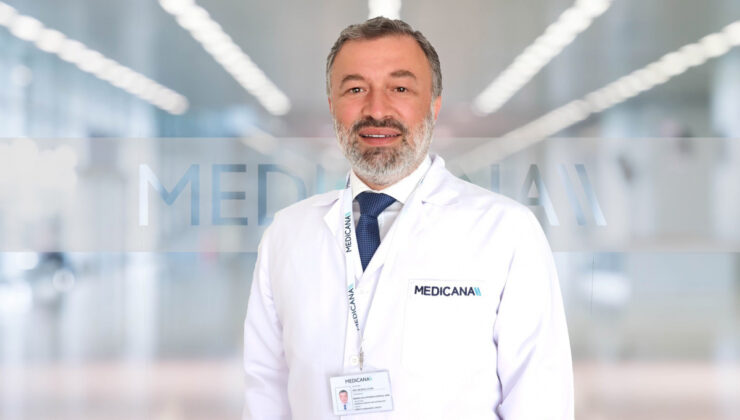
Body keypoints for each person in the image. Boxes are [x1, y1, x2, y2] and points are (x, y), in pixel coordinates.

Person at [243, 17, 574, 419]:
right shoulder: (287, 235)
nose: (376, 109)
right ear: (332, 106)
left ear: (433, 104)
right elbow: (265, 392)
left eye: (400, 89)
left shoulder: (506, 233)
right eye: (355, 89)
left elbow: (540, 401)